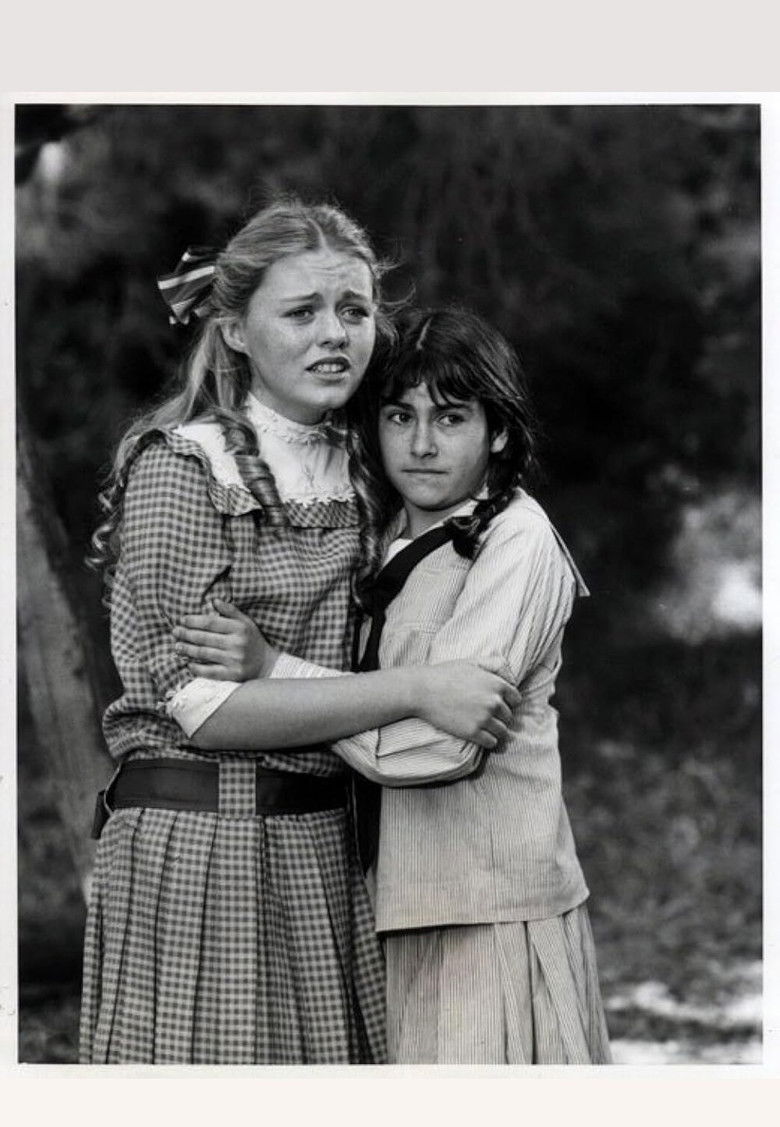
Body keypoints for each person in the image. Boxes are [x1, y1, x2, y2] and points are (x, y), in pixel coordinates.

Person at [81, 203, 520, 1066]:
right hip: (204, 845)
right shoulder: (184, 469)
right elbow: (208, 712)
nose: (334, 335)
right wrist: (418, 691)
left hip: (322, 844)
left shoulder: (371, 466)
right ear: (235, 331)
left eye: (354, 310)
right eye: (301, 312)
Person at [177, 305, 612, 1064]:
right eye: (399, 416)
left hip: (491, 912)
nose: (421, 444)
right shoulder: (378, 535)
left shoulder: (517, 539)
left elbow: (439, 744)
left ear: (498, 431)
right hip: (391, 903)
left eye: (451, 418)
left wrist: (275, 672)